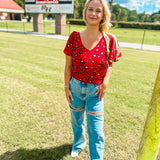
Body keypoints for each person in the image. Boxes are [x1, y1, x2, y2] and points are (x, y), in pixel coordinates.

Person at [64, 0, 122, 159]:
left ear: (103, 15)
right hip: (75, 88)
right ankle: (78, 144)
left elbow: (110, 64)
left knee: (96, 130)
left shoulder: (109, 39)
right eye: (90, 9)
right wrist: (66, 87)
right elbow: (68, 66)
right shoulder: (74, 37)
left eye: (98, 10)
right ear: (85, 12)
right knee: (77, 123)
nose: (93, 13)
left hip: (95, 92)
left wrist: (105, 82)